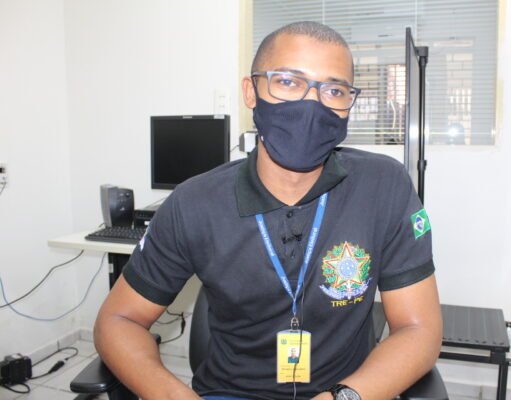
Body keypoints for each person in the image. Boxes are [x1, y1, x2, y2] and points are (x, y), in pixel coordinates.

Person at [94, 21, 442, 400]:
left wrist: (343, 397)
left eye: (334, 90)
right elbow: (118, 320)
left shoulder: (383, 187)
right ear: (251, 91)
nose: (312, 104)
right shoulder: (194, 202)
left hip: (346, 391)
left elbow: (418, 329)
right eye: (288, 82)